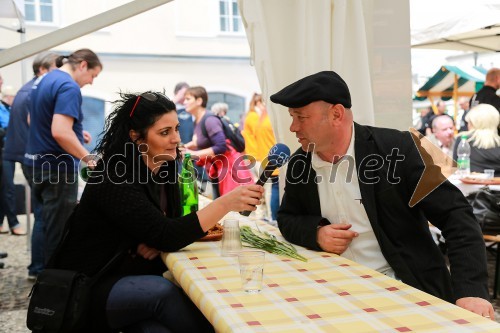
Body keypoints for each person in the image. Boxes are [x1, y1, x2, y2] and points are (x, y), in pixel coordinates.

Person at [271, 71, 494, 320]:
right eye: (292, 117)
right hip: (332, 292)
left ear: (336, 114)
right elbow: (287, 217)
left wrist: (471, 289)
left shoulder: (399, 148)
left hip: (407, 291)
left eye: (301, 117)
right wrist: (316, 233)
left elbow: (456, 216)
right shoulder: (299, 162)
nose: (293, 127)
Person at [52, 91, 264, 332]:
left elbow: (171, 225)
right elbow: (169, 235)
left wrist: (153, 236)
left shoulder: (164, 165)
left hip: (130, 272)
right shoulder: (113, 175)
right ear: (137, 137)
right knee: (164, 294)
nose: (176, 138)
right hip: (87, 285)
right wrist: (225, 203)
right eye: (165, 132)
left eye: (176, 128)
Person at [24, 48, 102, 264]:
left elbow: (34, 120)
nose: (91, 82)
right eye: (93, 76)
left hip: (34, 163)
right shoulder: (69, 86)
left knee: (45, 222)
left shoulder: (44, 80)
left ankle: (39, 274)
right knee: (59, 234)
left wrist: (76, 132)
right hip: (56, 168)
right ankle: (54, 287)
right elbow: (60, 131)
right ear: (83, 65)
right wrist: (88, 158)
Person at [2, 52, 58, 278]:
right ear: (44, 69)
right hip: (37, 159)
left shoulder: (26, 90)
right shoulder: (37, 91)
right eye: (57, 67)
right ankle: (40, 268)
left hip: (28, 157)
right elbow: (34, 126)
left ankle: (38, 267)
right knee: (44, 214)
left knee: (42, 213)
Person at [242, 93, 279, 221]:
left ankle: (262, 216)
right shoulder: (256, 117)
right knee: (266, 190)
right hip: (258, 157)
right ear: (257, 103)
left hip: (256, 156)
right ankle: (267, 217)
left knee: (262, 189)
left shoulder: (256, 117)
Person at [453, 104, 500, 176]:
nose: (468, 125)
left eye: (469, 122)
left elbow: (455, 168)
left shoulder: (463, 139)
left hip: (470, 185)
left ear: (474, 123)